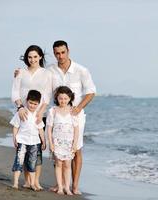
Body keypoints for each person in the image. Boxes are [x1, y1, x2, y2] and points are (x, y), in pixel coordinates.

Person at [48, 40, 96, 194]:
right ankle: (61, 185)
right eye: (57, 53)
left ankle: (74, 186)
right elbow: (35, 76)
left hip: (76, 117)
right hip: (57, 116)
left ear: (68, 51)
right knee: (58, 150)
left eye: (63, 52)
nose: (60, 56)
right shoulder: (50, 71)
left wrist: (79, 107)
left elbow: (91, 92)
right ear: (54, 53)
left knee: (76, 149)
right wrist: (19, 73)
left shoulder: (81, 70)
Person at [11, 45, 52, 190]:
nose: (32, 59)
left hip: (39, 114)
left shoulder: (46, 73)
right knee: (23, 148)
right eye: (29, 57)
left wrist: (41, 111)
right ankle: (27, 181)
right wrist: (20, 107)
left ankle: (36, 182)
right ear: (26, 58)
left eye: (35, 56)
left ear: (40, 56)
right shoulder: (20, 72)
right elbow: (15, 92)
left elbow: (47, 95)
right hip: (23, 113)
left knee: (37, 148)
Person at [10, 90, 46, 190]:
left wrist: (43, 141)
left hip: (35, 142)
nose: (32, 106)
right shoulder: (21, 113)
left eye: (35, 104)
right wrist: (14, 138)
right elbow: (15, 127)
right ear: (26, 101)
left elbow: (41, 129)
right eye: (31, 103)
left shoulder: (38, 115)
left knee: (32, 162)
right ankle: (16, 183)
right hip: (22, 140)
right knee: (19, 161)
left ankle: (33, 183)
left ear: (38, 104)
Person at [47, 86, 79, 195]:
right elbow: (49, 128)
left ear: (69, 98)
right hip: (57, 142)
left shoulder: (72, 111)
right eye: (61, 98)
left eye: (65, 98)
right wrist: (50, 143)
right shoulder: (53, 111)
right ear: (57, 98)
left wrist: (75, 144)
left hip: (69, 143)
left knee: (67, 165)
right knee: (59, 164)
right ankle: (60, 187)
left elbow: (76, 129)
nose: (63, 101)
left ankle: (67, 188)